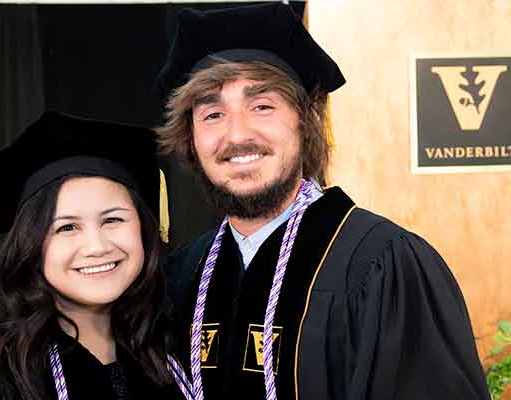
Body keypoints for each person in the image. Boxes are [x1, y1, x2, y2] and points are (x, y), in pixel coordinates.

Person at [155, 3, 490, 400]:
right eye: (212, 114)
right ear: (191, 139)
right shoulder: (182, 276)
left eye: (262, 106)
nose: (236, 134)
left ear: (306, 121)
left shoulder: (382, 264)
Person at [0, 111, 181, 399]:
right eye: (67, 227)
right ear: (31, 244)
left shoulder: (172, 356)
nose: (97, 246)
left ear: (143, 229)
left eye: (112, 220)